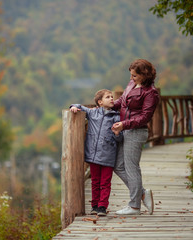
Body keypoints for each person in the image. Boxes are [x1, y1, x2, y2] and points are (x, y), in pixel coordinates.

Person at [112, 59, 160, 215]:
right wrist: (108, 105)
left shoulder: (150, 93)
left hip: (136, 132)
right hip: (125, 129)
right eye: (131, 76)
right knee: (118, 165)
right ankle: (143, 193)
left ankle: (134, 206)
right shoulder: (132, 84)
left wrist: (124, 124)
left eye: (134, 76)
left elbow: (145, 117)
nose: (131, 79)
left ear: (144, 75)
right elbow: (122, 101)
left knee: (132, 168)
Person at [70, 89, 122, 216]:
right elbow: (79, 106)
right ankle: (94, 206)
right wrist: (74, 107)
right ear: (100, 102)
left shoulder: (116, 116)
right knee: (95, 182)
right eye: (108, 97)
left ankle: (102, 206)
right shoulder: (93, 113)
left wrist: (117, 134)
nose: (111, 99)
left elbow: (120, 138)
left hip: (108, 155)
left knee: (105, 182)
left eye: (112, 97)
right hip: (93, 155)